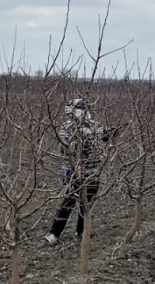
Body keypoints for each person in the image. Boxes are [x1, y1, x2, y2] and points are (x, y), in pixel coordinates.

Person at [45, 97, 115, 245]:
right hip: (75, 171)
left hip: (93, 171)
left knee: (86, 204)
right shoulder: (67, 127)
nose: (83, 112)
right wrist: (81, 143)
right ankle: (54, 233)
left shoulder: (93, 125)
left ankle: (81, 232)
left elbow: (104, 136)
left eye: (84, 109)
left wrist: (110, 133)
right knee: (68, 203)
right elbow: (64, 147)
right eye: (80, 109)